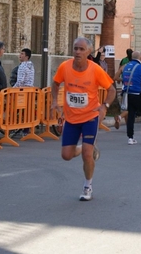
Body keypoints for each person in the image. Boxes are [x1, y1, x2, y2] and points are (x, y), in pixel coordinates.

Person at [51, 37, 116, 201]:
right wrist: (53, 101)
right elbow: (56, 83)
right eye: (75, 48)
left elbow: (112, 90)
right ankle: (84, 148)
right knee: (66, 155)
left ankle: (87, 186)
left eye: (81, 49)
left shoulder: (95, 70)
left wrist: (104, 106)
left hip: (90, 117)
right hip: (71, 119)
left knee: (87, 155)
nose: (78, 52)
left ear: (88, 52)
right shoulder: (65, 67)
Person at [116, 51, 141, 144]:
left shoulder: (125, 66)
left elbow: (118, 76)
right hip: (139, 94)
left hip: (128, 94)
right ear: (140, 58)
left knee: (130, 116)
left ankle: (130, 137)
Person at [12, 48, 35, 137]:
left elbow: (20, 81)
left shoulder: (22, 66)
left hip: (22, 92)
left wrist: (12, 89)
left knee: (17, 109)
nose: (20, 55)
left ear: (26, 56)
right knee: (27, 111)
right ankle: (26, 129)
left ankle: (16, 127)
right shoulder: (31, 65)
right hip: (29, 91)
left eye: (22, 54)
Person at [113, 49, 133, 129]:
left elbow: (115, 77)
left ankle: (127, 125)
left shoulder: (124, 63)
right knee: (132, 109)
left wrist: (122, 79)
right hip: (133, 90)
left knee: (125, 108)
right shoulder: (137, 65)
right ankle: (120, 117)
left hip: (124, 89)